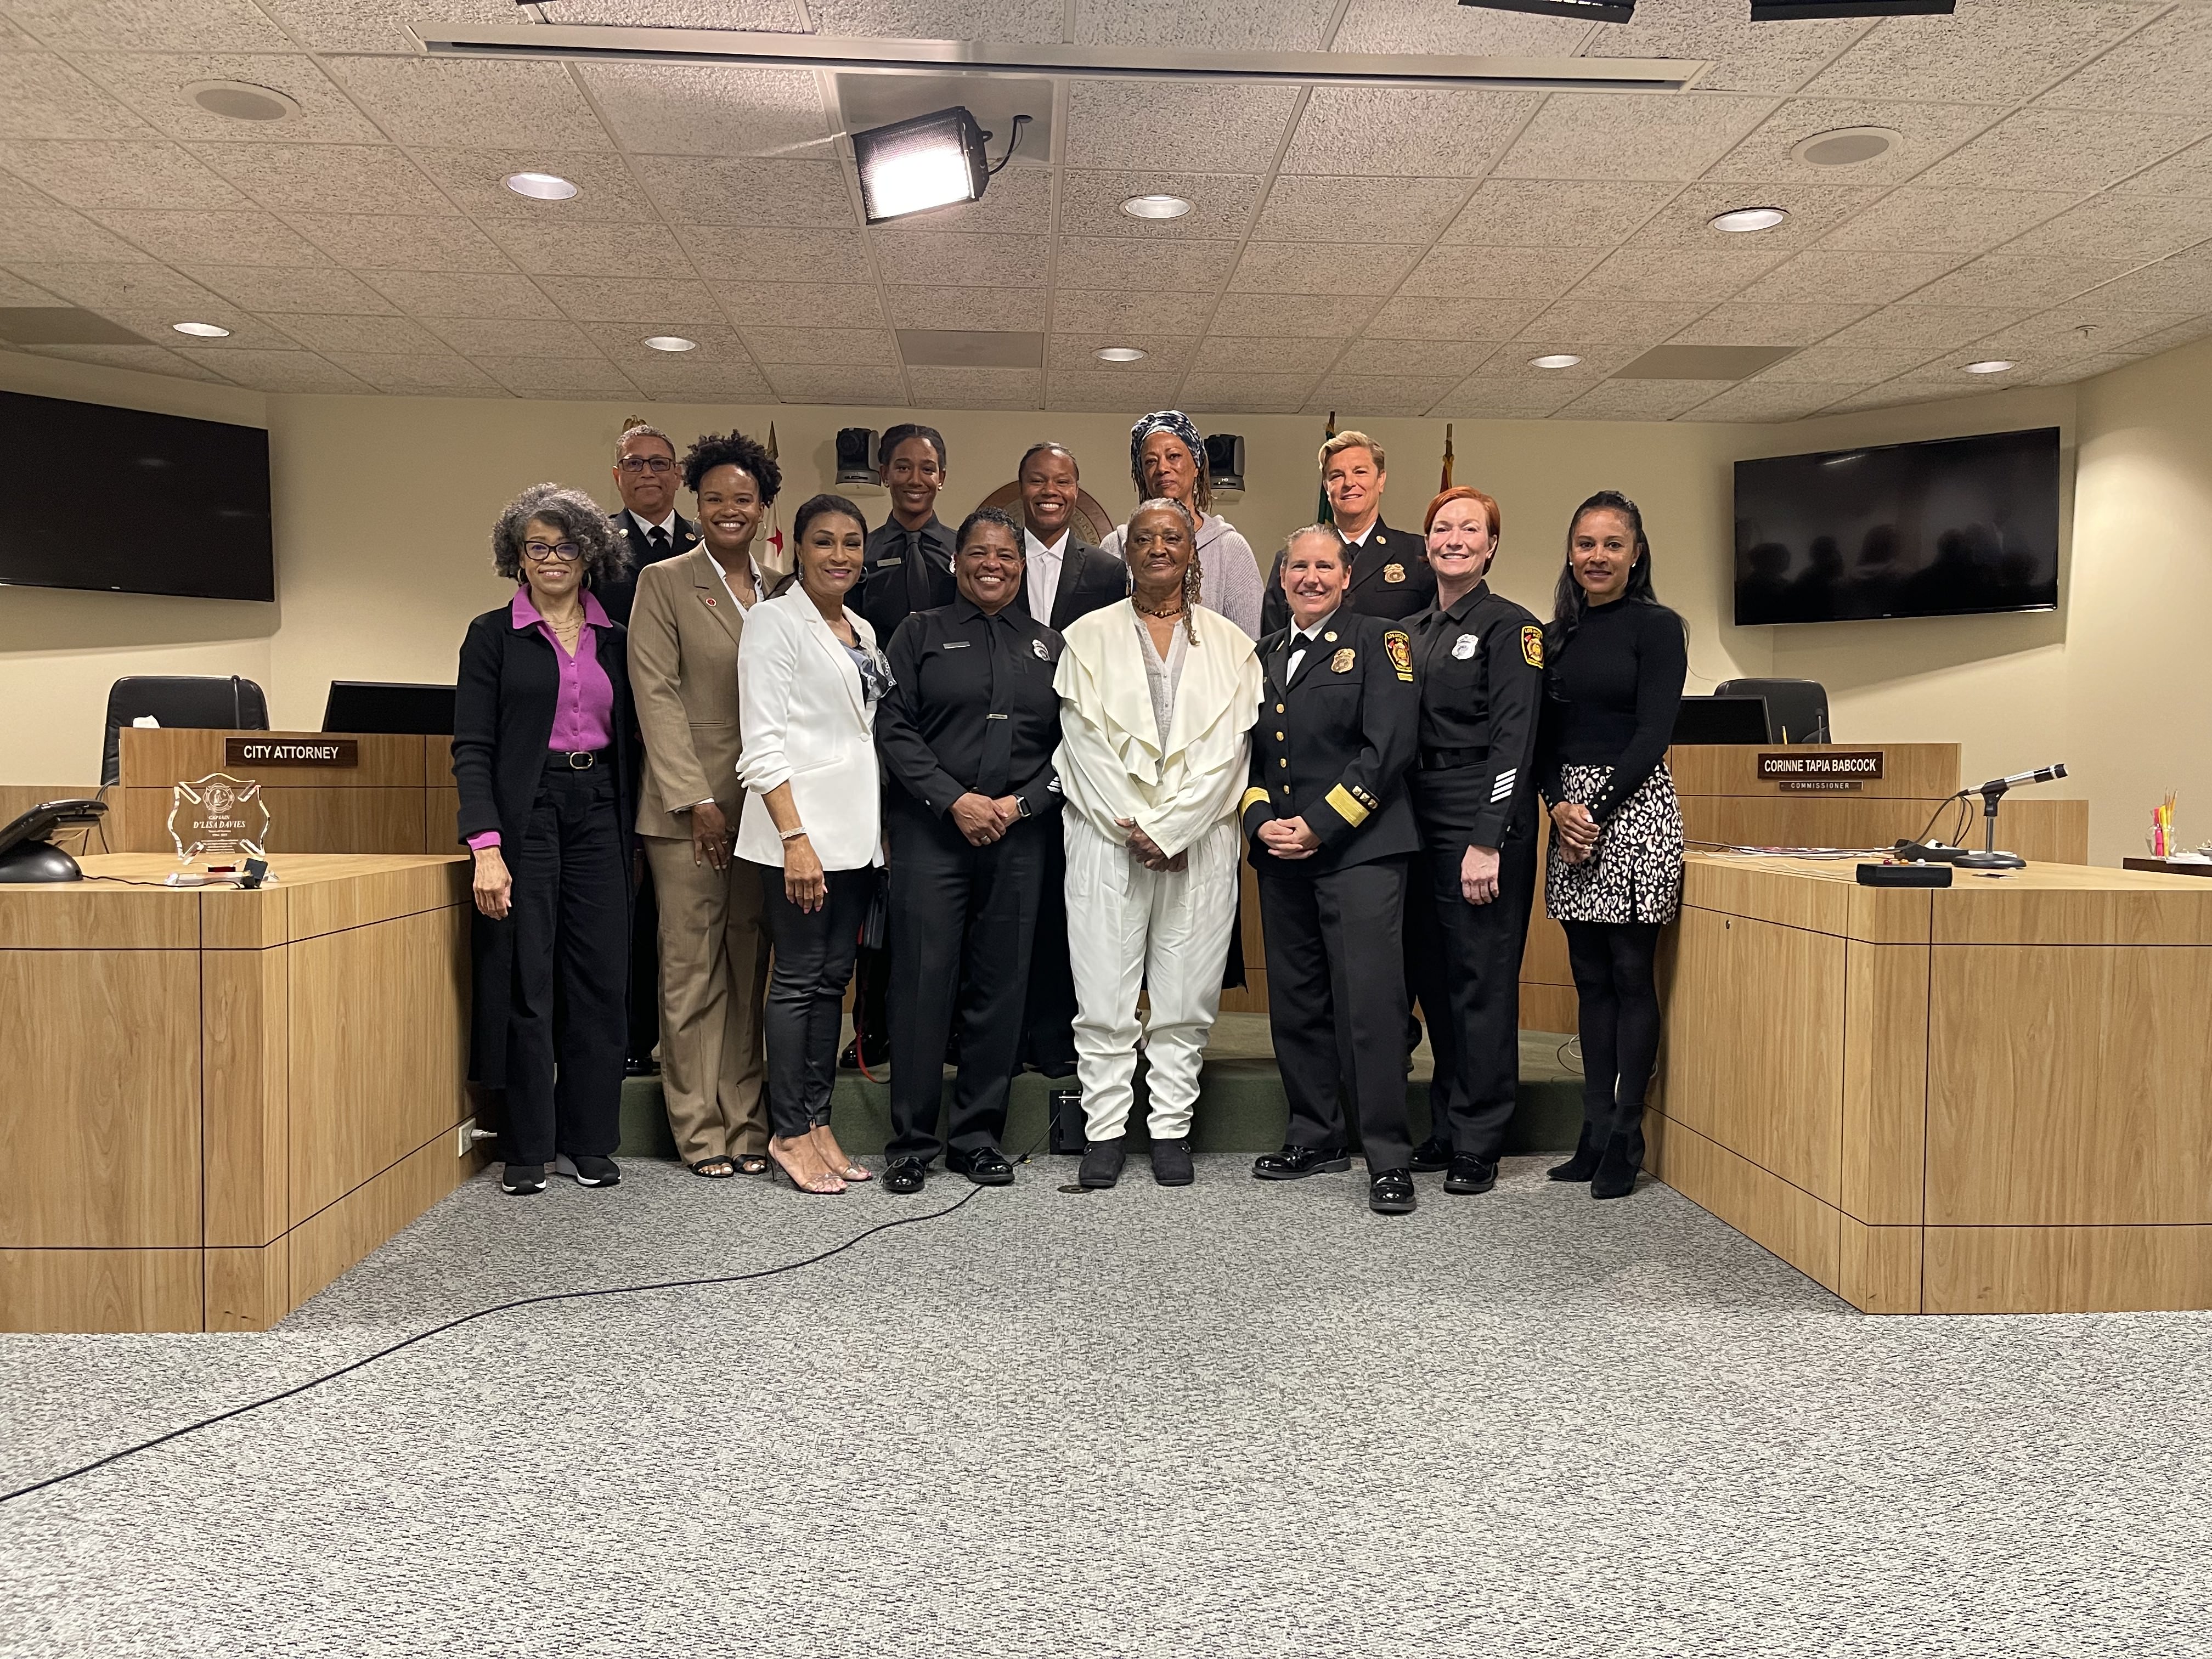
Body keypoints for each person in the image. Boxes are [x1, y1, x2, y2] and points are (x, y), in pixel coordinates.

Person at [1055, 498, 1263, 1189]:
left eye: (1173, 537)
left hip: (1198, 846)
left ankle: (1171, 1127)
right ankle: (1106, 1131)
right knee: (1104, 999)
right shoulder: (1086, 637)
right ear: (1128, 550)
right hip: (1107, 838)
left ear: (1192, 552)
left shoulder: (1232, 647)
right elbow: (1083, 746)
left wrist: (1173, 829)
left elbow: (1232, 755)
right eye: (1143, 537)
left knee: (1186, 997)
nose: (1158, 548)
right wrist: (1138, 827)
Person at [453, 483, 639, 1197]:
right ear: (517, 558)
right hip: (524, 813)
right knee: (527, 979)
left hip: (599, 811)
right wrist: (487, 846)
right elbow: (472, 747)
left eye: (566, 545)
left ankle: (589, 1139)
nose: (553, 558)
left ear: (589, 552)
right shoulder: (492, 636)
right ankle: (529, 1143)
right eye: (538, 546)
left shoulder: (613, 637)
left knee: (598, 979)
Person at [875, 507, 1065, 1194]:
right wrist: (952, 800)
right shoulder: (919, 634)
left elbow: (1072, 748)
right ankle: (912, 1141)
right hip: (933, 833)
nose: (993, 564)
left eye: (1007, 556)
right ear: (959, 562)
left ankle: (977, 1137)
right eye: (979, 553)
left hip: (1018, 837)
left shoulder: (1050, 646)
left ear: (1022, 566)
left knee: (1001, 986)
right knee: (924, 985)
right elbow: (892, 728)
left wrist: (1020, 805)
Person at [1243, 527, 1422, 1215]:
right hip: (1282, 855)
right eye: (1298, 566)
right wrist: (1263, 822)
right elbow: (1249, 759)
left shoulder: (1382, 640)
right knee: (1298, 1003)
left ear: (1347, 577)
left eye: (1324, 565)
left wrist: (1319, 824)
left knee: (1370, 1008)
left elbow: (1390, 748)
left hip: (1360, 852)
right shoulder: (1262, 654)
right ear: (1281, 578)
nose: (1310, 577)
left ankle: (1386, 1155)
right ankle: (1314, 1135)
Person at [627, 429, 779, 1181]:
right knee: (691, 970)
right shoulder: (664, 582)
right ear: (697, 502)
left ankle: (747, 1121)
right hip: (687, 814)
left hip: (762, 812)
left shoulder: (782, 586)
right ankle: (698, 1128)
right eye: (715, 497)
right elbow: (655, 695)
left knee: (748, 965)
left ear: (762, 507)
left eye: (742, 498)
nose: (729, 509)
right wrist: (696, 800)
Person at [1537, 490, 1687, 1203]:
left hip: (1633, 812)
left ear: (1636, 553)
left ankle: (1629, 1133)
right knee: (1589, 980)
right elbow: (1540, 740)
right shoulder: (1554, 636)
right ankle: (1592, 1130)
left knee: (1631, 974)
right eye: (1586, 544)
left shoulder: (1657, 629)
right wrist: (1559, 807)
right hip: (1569, 814)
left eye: (1612, 544)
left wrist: (1591, 811)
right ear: (1570, 554)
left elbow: (1652, 735)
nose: (1598, 557)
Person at [737, 493, 888, 1196]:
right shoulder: (774, 623)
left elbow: (861, 735)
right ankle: (789, 1131)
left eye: (852, 543)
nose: (839, 555)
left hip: (856, 838)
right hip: (800, 835)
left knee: (833, 980)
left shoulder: (859, 625)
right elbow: (762, 744)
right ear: (797, 548)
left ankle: (820, 1122)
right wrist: (795, 839)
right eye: (824, 542)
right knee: (798, 980)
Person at [1403, 487, 1544, 1197]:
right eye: (1441, 528)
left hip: (1480, 818)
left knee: (1480, 984)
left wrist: (1487, 839)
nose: (1453, 538)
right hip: (1418, 818)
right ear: (1427, 543)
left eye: (1470, 529)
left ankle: (1482, 1138)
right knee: (1436, 981)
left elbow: (1515, 745)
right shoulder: (1414, 629)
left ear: (1491, 547)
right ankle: (1449, 1125)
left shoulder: (1510, 629)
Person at [1011, 440, 1126, 1084]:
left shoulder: (1108, 573)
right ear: (1022, 487)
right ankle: (1006, 1031)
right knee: (1010, 905)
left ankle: (1057, 1036)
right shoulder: (994, 558)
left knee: (1067, 906)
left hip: (1081, 759)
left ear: (1077, 491)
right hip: (1009, 761)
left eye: (1061, 481)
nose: (1049, 491)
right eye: (1036, 480)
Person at [847, 423, 953, 1072]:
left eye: (929, 468)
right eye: (904, 467)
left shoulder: (962, 548)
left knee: (937, 892)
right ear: (884, 472)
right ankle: (872, 1029)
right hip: (870, 739)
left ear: (943, 475)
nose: (916, 479)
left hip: (943, 746)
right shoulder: (862, 550)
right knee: (875, 891)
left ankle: (948, 1031)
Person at [596, 419, 700, 1081]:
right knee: (630, 895)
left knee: (684, 904)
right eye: (636, 464)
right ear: (618, 475)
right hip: (619, 742)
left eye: (661, 464)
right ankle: (633, 1036)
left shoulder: (702, 546)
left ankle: (682, 1039)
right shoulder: (595, 547)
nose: (650, 474)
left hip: (689, 745)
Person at [1099, 411, 1264, 639]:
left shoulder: (1229, 548)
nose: (1162, 468)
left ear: (1196, 465)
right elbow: (1101, 633)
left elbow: (1249, 643)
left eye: (1174, 456)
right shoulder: (1117, 546)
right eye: (1150, 461)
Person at [1259, 430, 1436, 636]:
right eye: (1337, 476)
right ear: (1327, 487)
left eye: (1360, 472)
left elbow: (1431, 637)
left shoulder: (1417, 553)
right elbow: (1274, 645)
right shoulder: (1293, 560)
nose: (1349, 483)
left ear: (1381, 480)